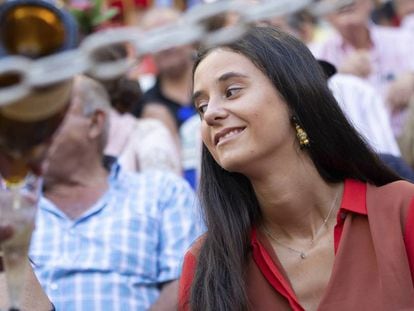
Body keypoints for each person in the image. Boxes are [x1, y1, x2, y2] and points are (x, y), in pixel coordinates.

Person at [178, 26, 414, 311]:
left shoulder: (401, 211)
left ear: (293, 96)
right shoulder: (205, 266)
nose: (211, 114)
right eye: (202, 106)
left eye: (231, 91)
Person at [29, 75, 201, 310]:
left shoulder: (162, 193)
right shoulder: (12, 206)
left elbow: (185, 284)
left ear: (95, 122)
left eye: (49, 116)